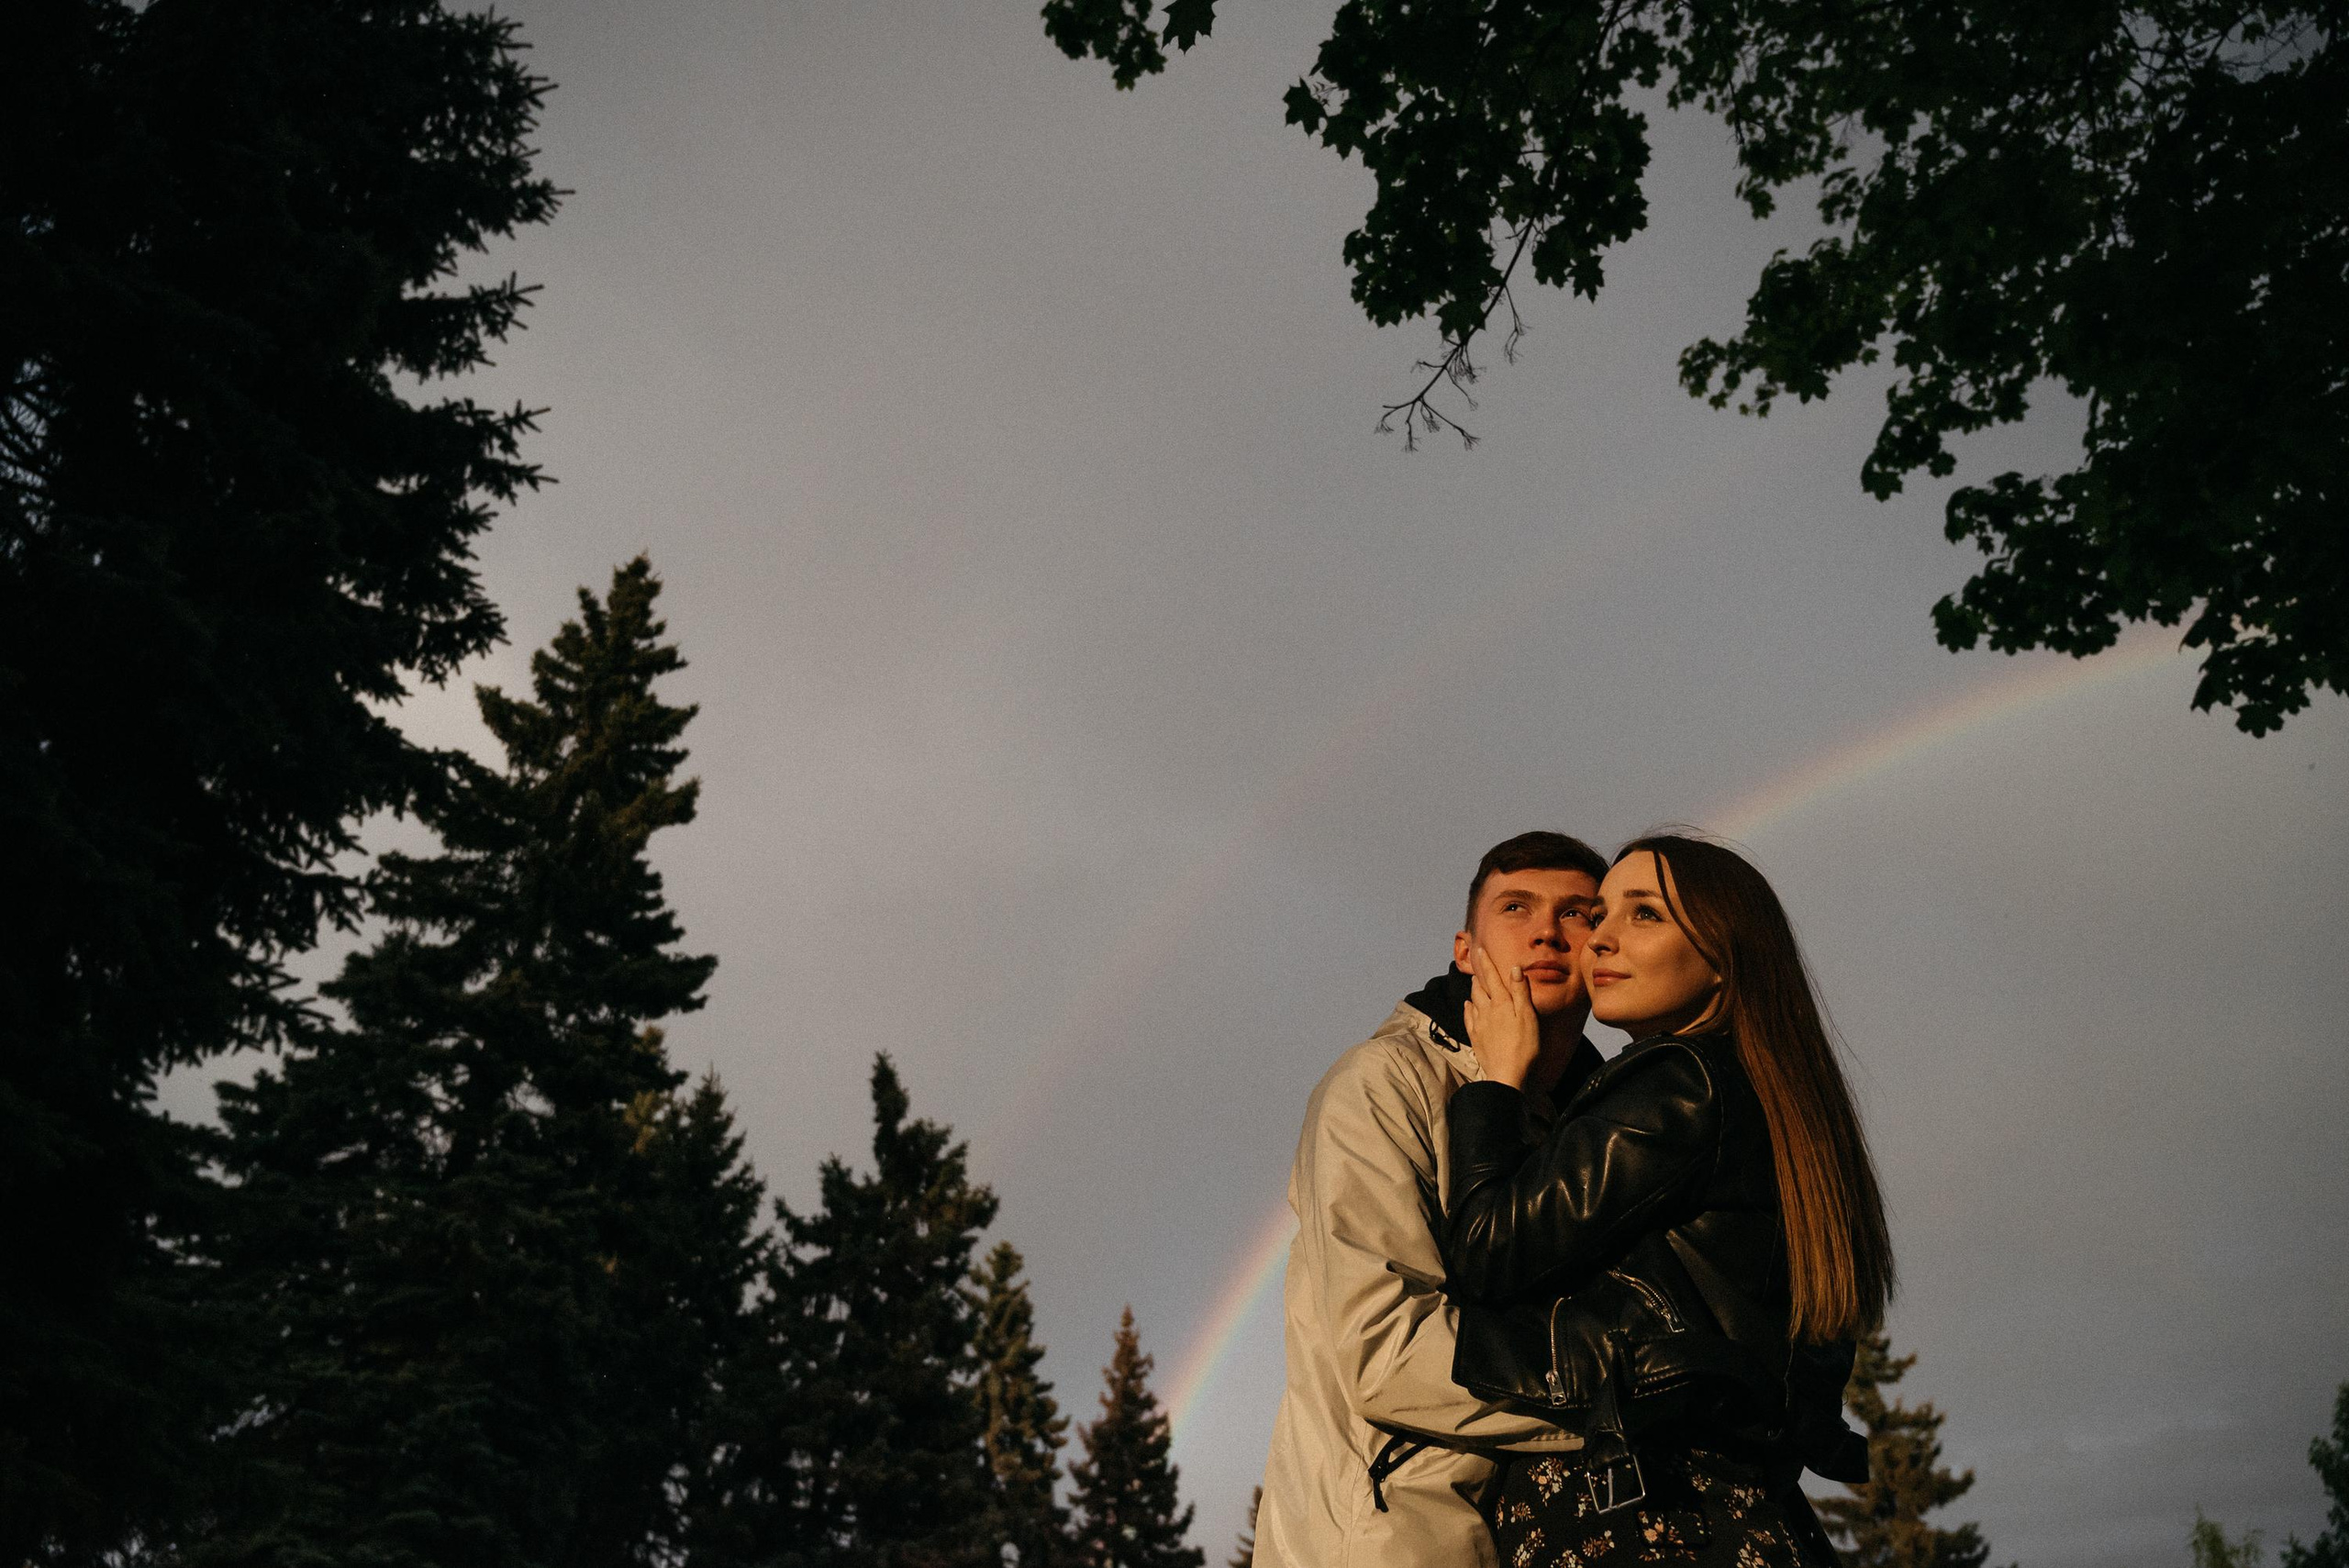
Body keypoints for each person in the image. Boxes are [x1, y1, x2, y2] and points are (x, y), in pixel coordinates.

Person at [1443, 833, 1891, 1568]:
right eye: (1602, 913)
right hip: (1735, 1518)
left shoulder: (1681, 1083)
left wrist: (1495, 1084)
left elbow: (1491, 1250)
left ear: (1722, 959)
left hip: (1640, 1523)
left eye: (1643, 915)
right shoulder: (1770, 1100)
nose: (1600, 939)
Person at [1255, 832, 1614, 1568]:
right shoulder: (1382, 1085)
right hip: (1392, 1543)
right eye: (1516, 907)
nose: (1547, 929)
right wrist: (1623, 1391)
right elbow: (1386, 1349)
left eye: (1577, 913)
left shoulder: (1604, 1125)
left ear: (1601, 950)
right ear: (1464, 948)